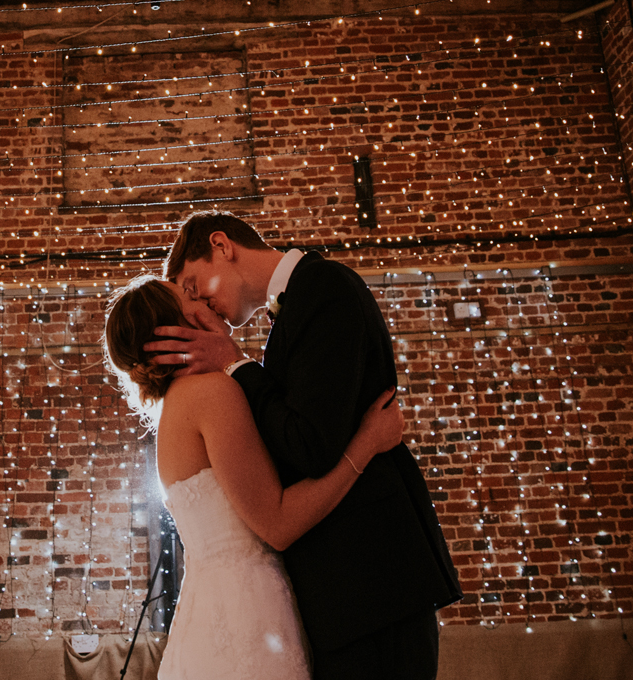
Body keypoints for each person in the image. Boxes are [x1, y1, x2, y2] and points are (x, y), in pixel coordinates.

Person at [145, 211, 463, 680]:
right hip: (350, 595)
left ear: (222, 245)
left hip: (374, 584)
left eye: (195, 284)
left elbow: (310, 445)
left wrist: (236, 363)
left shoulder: (324, 288)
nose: (202, 304)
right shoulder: (297, 308)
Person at [104, 275, 406, 680]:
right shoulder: (211, 393)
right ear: (171, 330)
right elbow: (278, 524)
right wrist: (365, 444)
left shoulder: (177, 407)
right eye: (189, 297)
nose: (204, 299)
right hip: (249, 614)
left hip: (208, 612)